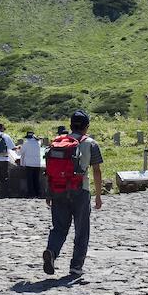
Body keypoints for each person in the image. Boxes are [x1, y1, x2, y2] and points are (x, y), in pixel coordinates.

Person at [43, 109, 103, 277]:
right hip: (80, 190)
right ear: (87, 126)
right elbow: (97, 171)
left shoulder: (58, 142)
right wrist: (98, 195)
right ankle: (76, 266)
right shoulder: (90, 143)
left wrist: (49, 192)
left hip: (58, 189)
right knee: (81, 230)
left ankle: (52, 252)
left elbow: (49, 169)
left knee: (59, 228)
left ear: (70, 125)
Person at [21, 131, 43, 198]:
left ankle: (31, 194)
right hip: (37, 163)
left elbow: (21, 153)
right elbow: (41, 140)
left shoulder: (26, 143)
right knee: (36, 179)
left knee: (30, 180)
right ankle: (38, 193)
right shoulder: (38, 143)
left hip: (29, 163)